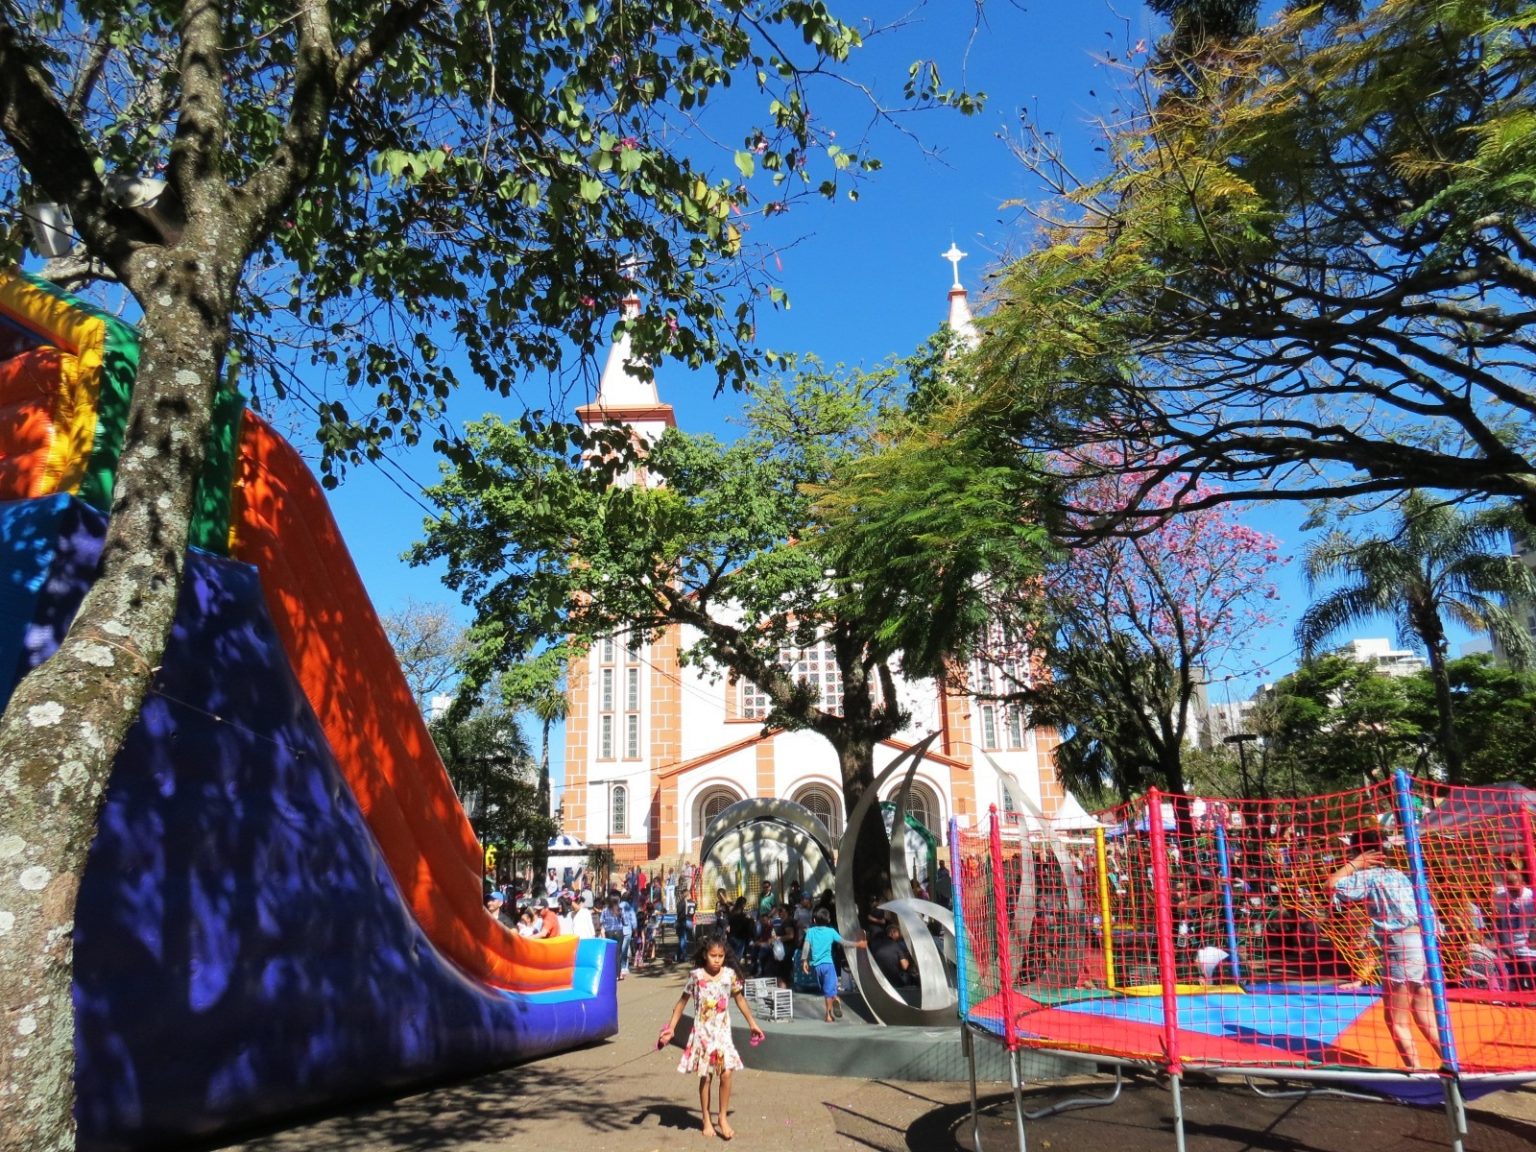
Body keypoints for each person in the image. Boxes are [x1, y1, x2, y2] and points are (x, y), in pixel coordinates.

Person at [1328, 828, 1443, 1069]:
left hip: (1401, 945)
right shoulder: (1400, 875)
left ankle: (1416, 1073)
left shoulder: (1369, 876)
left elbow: (1331, 885)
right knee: (1423, 1009)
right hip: (1425, 943)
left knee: (1395, 1018)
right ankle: (1451, 1064)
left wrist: (1355, 863)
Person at [658, 934, 764, 1141]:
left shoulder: (729, 975)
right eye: (713, 955)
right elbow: (681, 1004)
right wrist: (671, 1029)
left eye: (721, 956)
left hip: (722, 1034)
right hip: (702, 1034)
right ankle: (706, 1118)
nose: (717, 960)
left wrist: (753, 1023)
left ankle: (722, 1117)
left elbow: (740, 999)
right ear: (705, 955)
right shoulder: (696, 976)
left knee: (726, 1074)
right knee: (706, 1077)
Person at [801, 908, 867, 1022]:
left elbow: (806, 947)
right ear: (829, 920)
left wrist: (804, 961)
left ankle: (834, 999)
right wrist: (858, 944)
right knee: (829, 991)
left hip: (816, 967)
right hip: (828, 965)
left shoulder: (810, 932)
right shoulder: (831, 932)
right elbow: (844, 943)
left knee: (827, 989)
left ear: (814, 920)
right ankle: (828, 1014)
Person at [1491, 866, 1536, 988]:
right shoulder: (1500, 895)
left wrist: (1532, 936)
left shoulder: (1530, 897)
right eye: (1510, 890)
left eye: (1516, 890)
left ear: (1522, 883)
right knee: (1516, 981)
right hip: (1508, 945)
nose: (1513, 893)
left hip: (1526, 945)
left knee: (1528, 971)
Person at [869, 920, 917, 989]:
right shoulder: (896, 945)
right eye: (898, 932)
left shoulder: (877, 944)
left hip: (879, 979)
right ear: (892, 932)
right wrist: (907, 957)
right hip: (894, 981)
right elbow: (905, 966)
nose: (900, 935)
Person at [600, 897, 628, 978]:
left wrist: (605, 926)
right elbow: (625, 922)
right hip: (619, 932)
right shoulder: (620, 910)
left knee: (611, 953)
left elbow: (601, 920)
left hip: (609, 932)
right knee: (618, 953)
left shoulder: (605, 910)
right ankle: (618, 974)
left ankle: (611, 974)